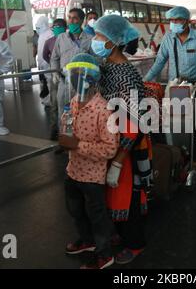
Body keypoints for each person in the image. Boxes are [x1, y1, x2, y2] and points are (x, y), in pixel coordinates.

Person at [92, 14, 153, 265]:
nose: (94, 40)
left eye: (98, 36)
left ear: (112, 41)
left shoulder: (126, 75)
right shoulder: (105, 67)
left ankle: (135, 243)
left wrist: (119, 159)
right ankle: (120, 233)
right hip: (111, 140)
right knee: (113, 193)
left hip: (127, 144)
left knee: (128, 194)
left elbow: (137, 122)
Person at [60, 53, 119, 270]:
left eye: (78, 74)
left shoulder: (105, 110)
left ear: (90, 79)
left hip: (93, 175)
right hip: (73, 169)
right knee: (76, 210)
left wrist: (76, 145)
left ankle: (104, 253)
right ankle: (87, 240)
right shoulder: (74, 102)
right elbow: (69, 130)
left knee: (97, 216)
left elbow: (110, 148)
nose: (74, 79)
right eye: (72, 75)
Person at [144, 6, 196, 165]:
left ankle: (195, 160)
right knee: (174, 124)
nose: (174, 23)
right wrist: (146, 80)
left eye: (178, 20)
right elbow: (159, 62)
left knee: (193, 125)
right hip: (174, 88)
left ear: (187, 21)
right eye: (172, 20)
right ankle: (177, 156)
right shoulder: (169, 38)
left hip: (194, 87)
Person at [50, 8, 93, 133]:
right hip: (64, 82)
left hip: (82, 83)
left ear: (81, 20)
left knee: (82, 111)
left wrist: (90, 74)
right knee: (65, 111)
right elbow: (54, 58)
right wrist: (55, 73)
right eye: (69, 17)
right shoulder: (61, 38)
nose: (71, 21)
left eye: (74, 18)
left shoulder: (89, 39)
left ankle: (81, 139)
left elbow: (96, 59)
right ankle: (66, 139)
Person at [42, 18, 67, 140]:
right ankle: (54, 129)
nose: (57, 28)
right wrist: (54, 68)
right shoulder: (49, 41)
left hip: (68, 76)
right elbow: (45, 56)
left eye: (60, 26)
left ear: (65, 27)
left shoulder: (68, 40)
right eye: (55, 26)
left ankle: (67, 132)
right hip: (55, 76)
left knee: (67, 104)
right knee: (54, 104)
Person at [35, 16, 54, 107]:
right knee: (48, 81)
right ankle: (50, 97)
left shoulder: (50, 34)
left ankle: (52, 100)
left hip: (48, 63)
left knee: (51, 82)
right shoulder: (42, 35)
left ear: (43, 25)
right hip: (44, 64)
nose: (37, 30)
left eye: (38, 27)